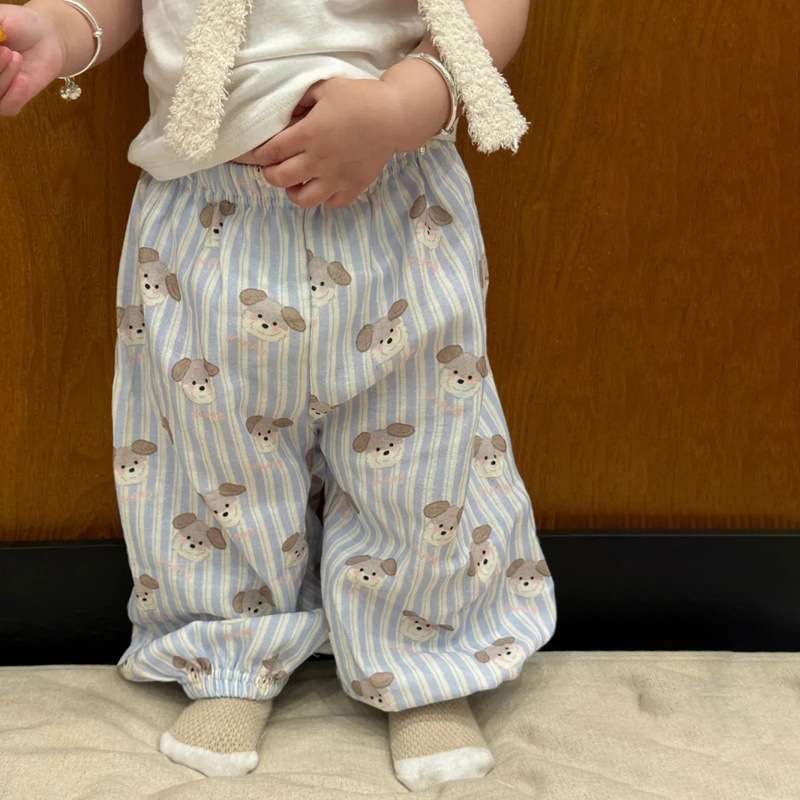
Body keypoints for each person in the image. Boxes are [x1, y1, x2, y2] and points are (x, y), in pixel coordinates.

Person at [0, 0, 556, 791]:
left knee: (422, 446)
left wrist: (403, 103)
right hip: (205, 202)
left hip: (393, 191)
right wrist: (60, 31)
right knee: (212, 453)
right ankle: (231, 648)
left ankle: (425, 653)